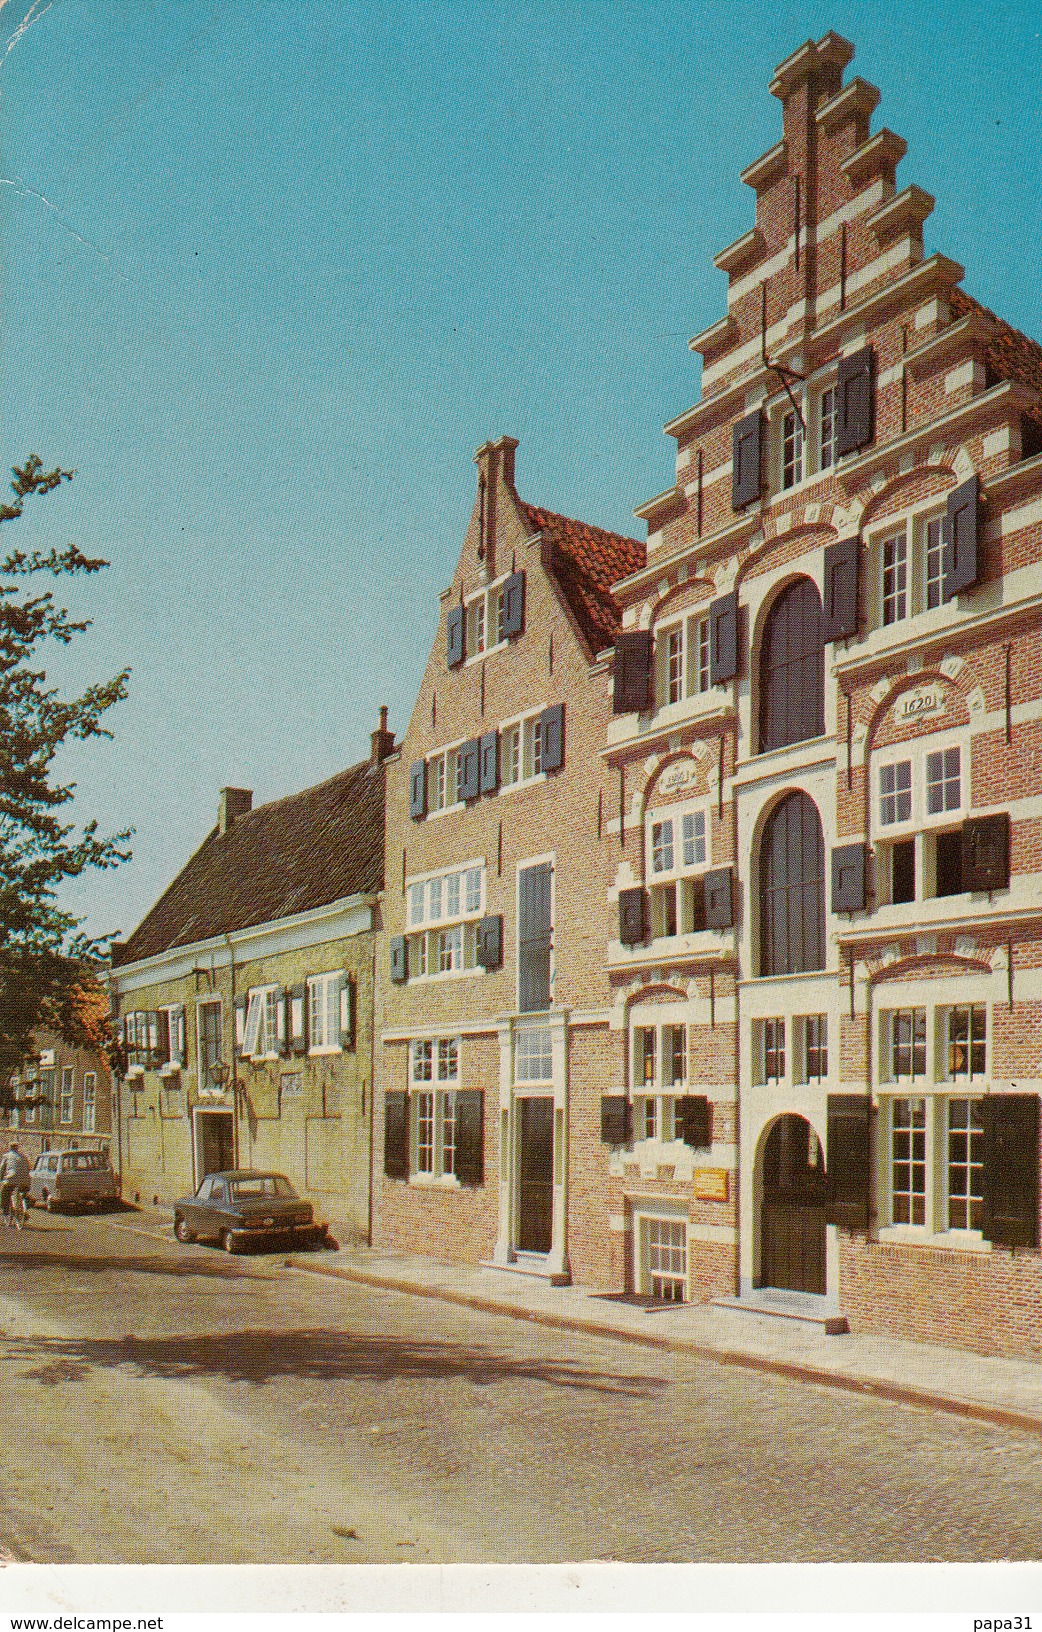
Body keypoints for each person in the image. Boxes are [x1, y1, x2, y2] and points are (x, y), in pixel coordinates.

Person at [0, 1141, 30, 1225]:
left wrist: (1, 1178)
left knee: (4, 1194)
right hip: (25, 1180)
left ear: (10, 1147)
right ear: (17, 1148)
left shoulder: (6, 1156)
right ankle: (24, 1209)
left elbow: (2, 1169)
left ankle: (5, 1211)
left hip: (11, 1179)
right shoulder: (23, 1156)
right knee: (24, 1193)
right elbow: (28, 1167)